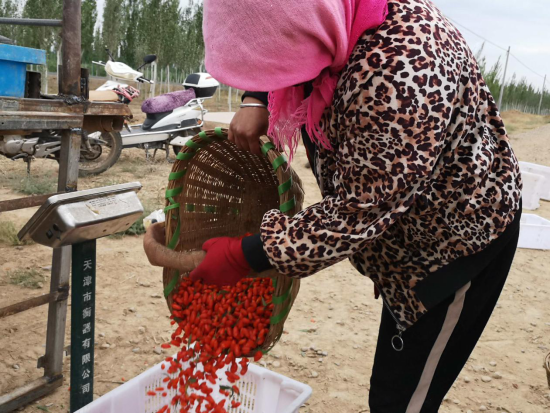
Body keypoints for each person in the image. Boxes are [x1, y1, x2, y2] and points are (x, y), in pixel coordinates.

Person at [144, 0, 523, 411]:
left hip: (453, 241)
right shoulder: (335, 19)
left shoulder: (401, 63)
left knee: (399, 400)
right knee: (394, 379)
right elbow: (277, 38)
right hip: (401, 230)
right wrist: (256, 97)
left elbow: (363, 208)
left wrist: (243, 255)